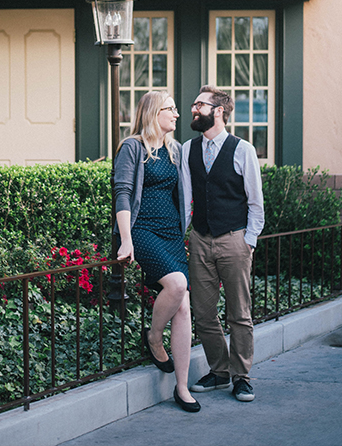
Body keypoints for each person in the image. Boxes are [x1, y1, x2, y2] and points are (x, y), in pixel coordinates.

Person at [113, 90, 200, 413]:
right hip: (143, 230)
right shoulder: (132, 147)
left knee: (184, 308)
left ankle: (181, 387)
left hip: (172, 234)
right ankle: (153, 337)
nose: (177, 115)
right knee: (176, 285)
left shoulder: (174, 149)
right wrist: (126, 239)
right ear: (154, 113)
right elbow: (122, 192)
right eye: (171, 109)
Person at [180, 85, 264, 403]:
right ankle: (219, 371)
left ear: (218, 111)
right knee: (203, 313)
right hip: (200, 240)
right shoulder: (188, 149)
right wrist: (185, 235)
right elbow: (188, 199)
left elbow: (256, 203)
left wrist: (248, 242)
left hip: (234, 240)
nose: (193, 110)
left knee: (239, 314)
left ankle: (242, 377)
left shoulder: (243, 150)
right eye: (193, 104)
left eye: (199, 105)